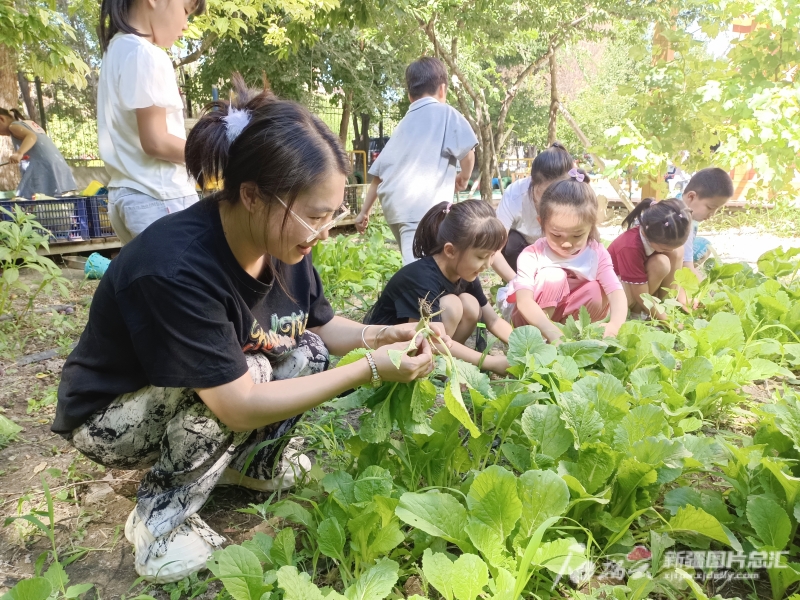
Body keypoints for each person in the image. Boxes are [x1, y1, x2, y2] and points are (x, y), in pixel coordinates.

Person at [53, 78, 445, 583]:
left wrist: (382, 336)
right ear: (254, 196)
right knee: (255, 370)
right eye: (315, 216)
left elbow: (323, 329)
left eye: (332, 215)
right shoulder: (177, 266)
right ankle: (159, 523)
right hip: (112, 415)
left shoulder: (285, 244)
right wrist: (370, 371)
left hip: (204, 387)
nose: (325, 232)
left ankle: (253, 467)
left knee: (304, 350)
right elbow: (235, 403)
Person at [96, 0, 203, 243]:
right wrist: (209, 153)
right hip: (159, 196)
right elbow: (156, 141)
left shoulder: (116, 50)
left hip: (126, 196)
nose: (186, 25)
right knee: (188, 279)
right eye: (186, 11)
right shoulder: (145, 54)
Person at [354, 57, 478, 264]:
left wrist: (363, 212)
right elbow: (468, 153)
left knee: (423, 263)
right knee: (422, 273)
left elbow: (379, 176)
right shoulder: (446, 113)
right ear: (442, 89)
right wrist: (464, 178)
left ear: (410, 96)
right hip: (422, 207)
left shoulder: (403, 125)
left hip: (394, 209)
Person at [365, 200, 511, 375]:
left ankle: (444, 365)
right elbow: (431, 339)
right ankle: (437, 368)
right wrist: (491, 362)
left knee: (471, 304)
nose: (487, 264)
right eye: (481, 257)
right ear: (450, 251)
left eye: (493, 255)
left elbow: (493, 320)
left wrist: (526, 348)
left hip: (432, 342)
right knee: (452, 305)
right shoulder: (421, 278)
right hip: (390, 352)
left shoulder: (465, 271)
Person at [503, 169, 627, 344]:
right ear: (542, 224)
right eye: (556, 235)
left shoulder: (597, 253)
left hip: (570, 321)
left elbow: (616, 293)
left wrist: (615, 325)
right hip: (531, 326)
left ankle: (576, 338)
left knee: (596, 290)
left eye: (577, 236)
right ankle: (541, 342)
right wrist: (552, 332)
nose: (566, 244)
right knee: (553, 276)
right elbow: (524, 302)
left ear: (590, 227)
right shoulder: (533, 254)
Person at [493, 141, 575, 281]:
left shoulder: (576, 195)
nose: (551, 203)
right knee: (511, 242)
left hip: (557, 253)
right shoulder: (515, 194)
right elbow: (494, 251)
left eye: (558, 195)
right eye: (546, 195)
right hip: (522, 251)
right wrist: (519, 284)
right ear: (532, 183)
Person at [607, 198, 692, 320]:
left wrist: (682, 300)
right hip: (615, 292)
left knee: (677, 252)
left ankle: (665, 305)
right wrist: (668, 322)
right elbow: (641, 295)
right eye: (664, 248)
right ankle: (638, 314)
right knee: (661, 264)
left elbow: (673, 256)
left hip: (637, 286)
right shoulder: (629, 247)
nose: (669, 251)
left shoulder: (655, 234)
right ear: (647, 235)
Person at [0, 108, 76, 198]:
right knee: (47, 199)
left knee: (27, 199)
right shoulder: (26, 123)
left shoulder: (13, 126)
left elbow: (31, 136)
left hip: (42, 167)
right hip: (55, 164)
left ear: (1, 119)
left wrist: (19, 153)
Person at [680, 167, 734, 275]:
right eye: (710, 207)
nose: (712, 214)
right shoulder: (682, 221)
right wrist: (706, 289)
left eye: (716, 209)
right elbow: (686, 266)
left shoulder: (680, 201)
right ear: (691, 196)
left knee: (705, 246)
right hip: (658, 262)